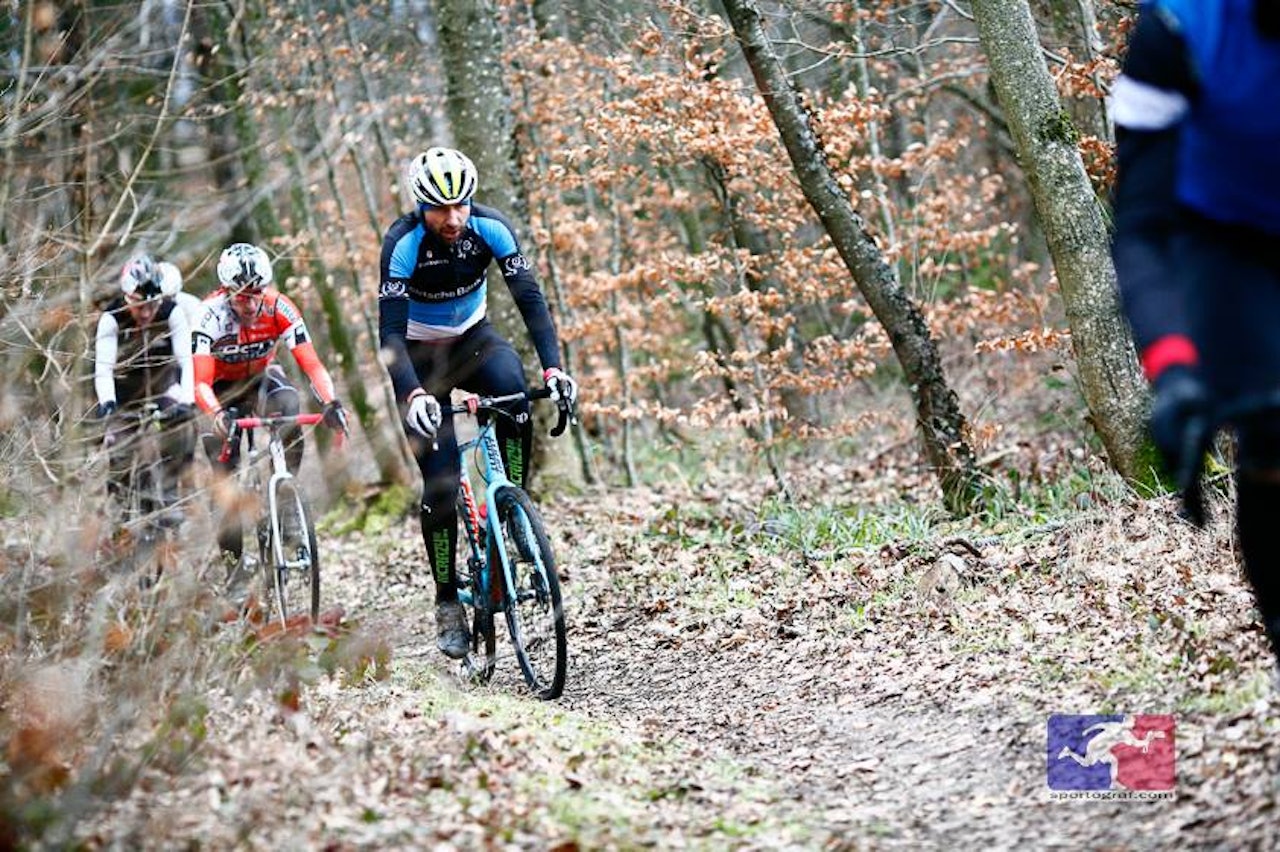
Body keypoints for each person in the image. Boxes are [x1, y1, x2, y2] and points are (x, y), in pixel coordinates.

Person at [1111, 0, 1280, 658]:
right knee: (1270, 430)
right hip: (1227, 244)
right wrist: (1175, 369)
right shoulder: (1180, 28)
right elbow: (1144, 232)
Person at [378, 146, 578, 659]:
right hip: (420, 360)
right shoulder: (403, 243)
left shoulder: (491, 228)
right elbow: (390, 338)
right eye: (441, 209)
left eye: (461, 205)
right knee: (440, 487)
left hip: (474, 341)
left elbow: (530, 299)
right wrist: (413, 393)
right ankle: (447, 599)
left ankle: (513, 510)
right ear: (421, 205)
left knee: (515, 394)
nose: (453, 218)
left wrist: (554, 369)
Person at [191, 242, 348, 564]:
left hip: (260, 380)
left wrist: (331, 401)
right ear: (226, 290)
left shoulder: (280, 307)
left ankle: (286, 499)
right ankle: (233, 566)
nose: (251, 304)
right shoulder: (207, 316)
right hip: (219, 391)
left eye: (258, 292)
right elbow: (200, 384)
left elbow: (313, 365)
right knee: (225, 482)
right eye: (242, 295)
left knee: (289, 403)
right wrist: (217, 415)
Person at [94, 253, 196, 514]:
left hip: (164, 387)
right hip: (125, 395)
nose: (147, 313)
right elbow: (103, 370)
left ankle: (171, 490)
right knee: (120, 448)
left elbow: (186, 360)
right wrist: (107, 402)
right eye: (140, 307)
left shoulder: (171, 313)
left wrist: (187, 399)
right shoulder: (112, 318)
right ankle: (121, 508)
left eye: (153, 305)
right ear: (128, 298)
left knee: (183, 430)